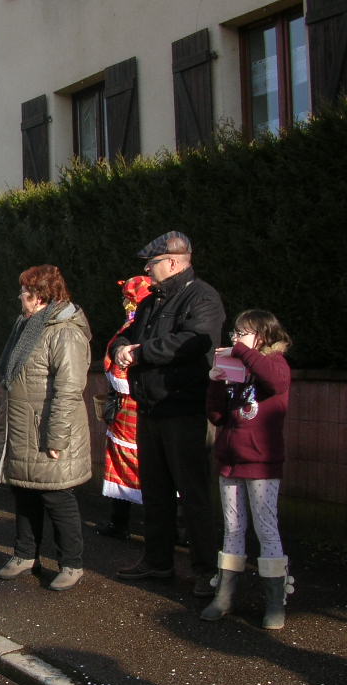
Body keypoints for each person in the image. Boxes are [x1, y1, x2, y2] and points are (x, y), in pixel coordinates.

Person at [112, 231, 224, 596]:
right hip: (151, 408)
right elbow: (130, 333)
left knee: (193, 494)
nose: (147, 269)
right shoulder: (152, 300)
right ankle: (157, 561)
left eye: (153, 262)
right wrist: (125, 348)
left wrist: (141, 352)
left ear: (174, 262)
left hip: (185, 408)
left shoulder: (202, 297)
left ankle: (206, 569)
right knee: (155, 491)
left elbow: (193, 342)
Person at [0, 265, 92, 591]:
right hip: (22, 427)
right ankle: (25, 554)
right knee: (23, 492)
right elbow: (13, 378)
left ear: (39, 296)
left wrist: (57, 437)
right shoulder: (27, 325)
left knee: (57, 497)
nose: (20, 296)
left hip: (46, 429)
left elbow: (69, 388)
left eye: (24, 291)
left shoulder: (65, 331)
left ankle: (71, 563)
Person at [201, 310, 294, 629]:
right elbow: (217, 416)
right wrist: (215, 383)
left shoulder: (276, 364)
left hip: (262, 462)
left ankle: (274, 602)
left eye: (244, 333)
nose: (236, 338)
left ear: (263, 336)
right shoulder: (235, 366)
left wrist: (241, 351)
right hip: (230, 459)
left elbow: (276, 382)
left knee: (266, 528)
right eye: (235, 334)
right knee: (233, 528)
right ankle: (224, 596)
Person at [97, 276, 153, 539]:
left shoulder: (133, 328)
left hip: (129, 409)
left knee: (126, 463)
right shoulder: (156, 325)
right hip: (153, 406)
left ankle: (120, 524)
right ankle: (174, 530)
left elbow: (116, 370)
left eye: (128, 299)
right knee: (158, 466)